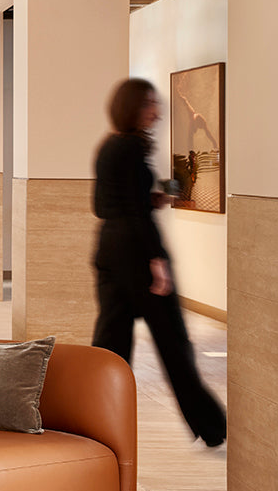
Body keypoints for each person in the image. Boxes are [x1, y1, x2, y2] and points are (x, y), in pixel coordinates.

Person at [92, 78, 226, 448]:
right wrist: (156, 261)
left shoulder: (109, 147)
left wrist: (150, 199)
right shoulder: (133, 148)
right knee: (174, 343)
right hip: (136, 252)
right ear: (131, 107)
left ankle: (94, 417)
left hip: (109, 250)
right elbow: (135, 215)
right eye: (150, 103)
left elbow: (106, 206)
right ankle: (213, 427)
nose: (157, 110)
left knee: (110, 344)